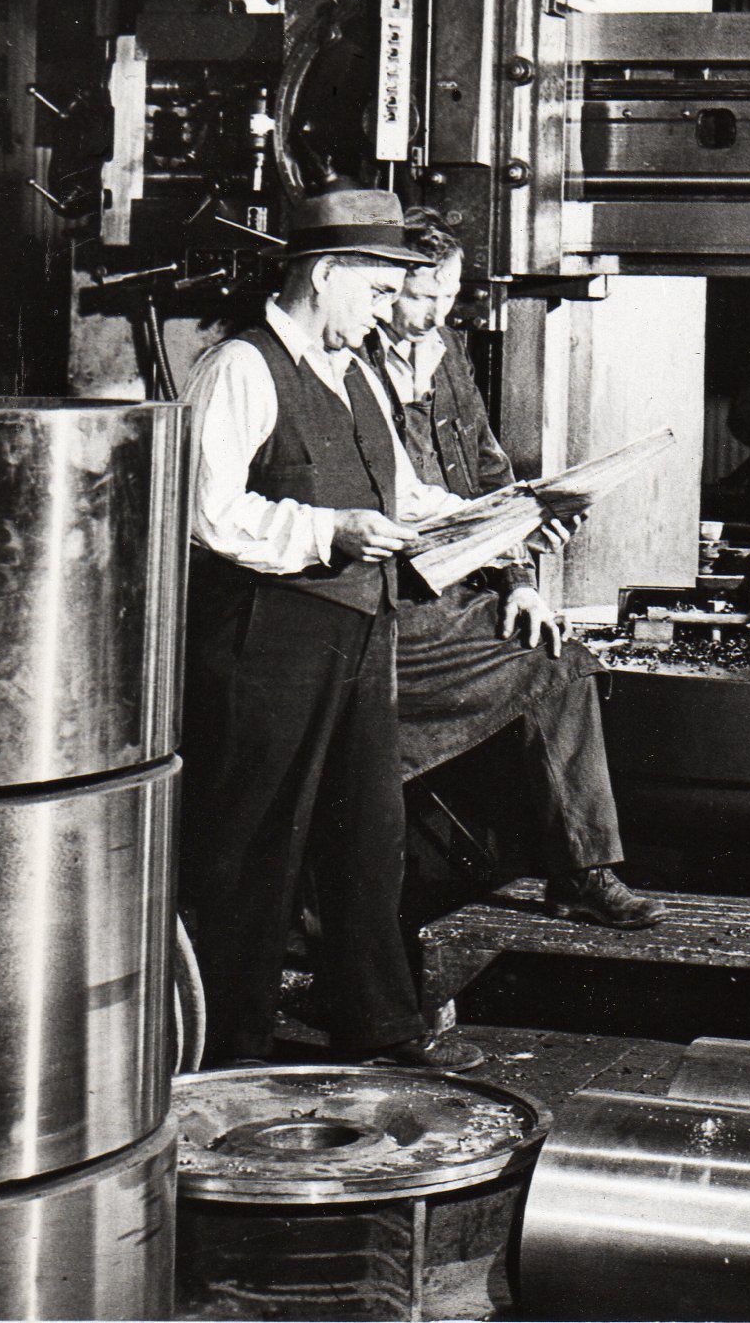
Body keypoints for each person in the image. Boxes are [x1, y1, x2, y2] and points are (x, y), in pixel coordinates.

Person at [179, 186, 487, 1071]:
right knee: (253, 849)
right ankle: (227, 1053)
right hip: (265, 642)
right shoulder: (240, 368)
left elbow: (404, 496)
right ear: (324, 276)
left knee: (368, 839)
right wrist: (329, 532)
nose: (390, 310)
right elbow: (207, 514)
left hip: (358, 630)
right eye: (380, 291)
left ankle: (379, 1027)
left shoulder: (355, 375)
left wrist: (501, 520)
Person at [371, 219, 666, 929]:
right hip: (387, 604)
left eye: (448, 294)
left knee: (558, 658)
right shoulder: (352, 365)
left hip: (454, 589)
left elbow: (488, 473)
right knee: (540, 672)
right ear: (383, 291)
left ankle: (581, 870)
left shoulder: (443, 353)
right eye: (420, 296)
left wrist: (521, 581)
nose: (437, 312)